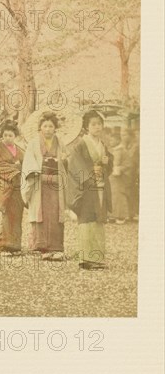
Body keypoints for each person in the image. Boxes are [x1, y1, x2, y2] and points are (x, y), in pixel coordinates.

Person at [67, 110, 113, 270]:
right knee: (87, 220)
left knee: (98, 219)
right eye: (93, 124)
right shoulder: (81, 144)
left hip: (99, 186)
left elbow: (108, 166)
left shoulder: (102, 144)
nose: (97, 127)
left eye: (99, 124)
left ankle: (98, 258)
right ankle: (86, 259)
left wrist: (107, 162)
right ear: (86, 126)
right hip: (86, 188)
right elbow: (74, 165)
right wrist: (90, 171)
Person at [21, 111, 68, 261]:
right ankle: (42, 247)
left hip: (56, 182)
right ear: (40, 127)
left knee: (55, 213)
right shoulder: (34, 143)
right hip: (39, 182)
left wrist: (63, 160)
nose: (48, 129)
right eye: (45, 126)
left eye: (51, 126)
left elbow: (66, 162)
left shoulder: (60, 143)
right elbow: (28, 162)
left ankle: (56, 247)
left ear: (55, 128)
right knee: (42, 212)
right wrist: (38, 170)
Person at [0, 120, 25, 254]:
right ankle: (2, 245)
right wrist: (15, 169)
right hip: (4, 184)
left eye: (10, 135)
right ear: (2, 136)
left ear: (15, 136)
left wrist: (21, 168)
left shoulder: (20, 150)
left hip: (18, 186)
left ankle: (14, 245)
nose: (8, 138)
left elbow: (27, 164)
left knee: (17, 215)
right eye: (5, 135)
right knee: (7, 215)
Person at [109, 133, 134, 224]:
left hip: (120, 176)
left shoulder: (122, 150)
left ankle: (121, 216)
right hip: (113, 175)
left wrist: (120, 169)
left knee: (119, 195)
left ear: (118, 141)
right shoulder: (114, 150)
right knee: (112, 195)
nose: (110, 142)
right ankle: (113, 215)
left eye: (112, 140)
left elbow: (128, 164)